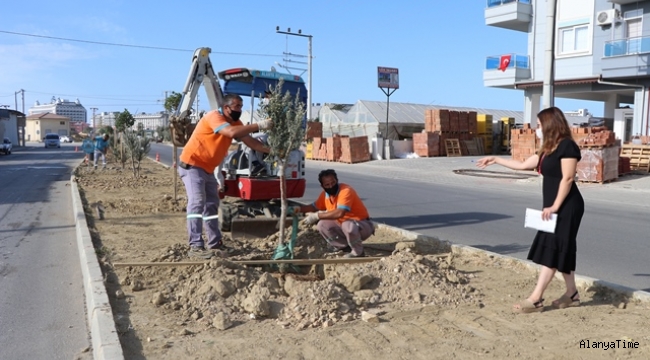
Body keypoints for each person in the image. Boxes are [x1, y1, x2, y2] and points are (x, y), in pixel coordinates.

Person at [476, 106, 584, 313]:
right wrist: (496, 159)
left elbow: (568, 178)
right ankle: (572, 293)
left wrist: (554, 206)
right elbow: (524, 165)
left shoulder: (567, 146)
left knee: (553, 249)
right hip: (553, 207)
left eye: (539, 124)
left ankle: (536, 298)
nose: (537, 128)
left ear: (550, 124)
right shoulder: (548, 149)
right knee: (560, 249)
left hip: (567, 206)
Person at [179, 94, 272, 259]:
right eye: (237, 106)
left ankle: (215, 243)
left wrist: (272, 151)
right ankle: (195, 246)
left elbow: (250, 142)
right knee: (197, 202)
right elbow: (229, 132)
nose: (240, 110)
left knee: (212, 206)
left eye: (241, 106)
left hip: (207, 169)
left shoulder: (236, 123)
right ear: (226, 107)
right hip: (193, 165)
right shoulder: (214, 116)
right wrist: (260, 125)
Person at [293, 169, 374, 258]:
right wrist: (298, 209)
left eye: (333, 182)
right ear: (322, 186)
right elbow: (314, 206)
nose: (331, 186)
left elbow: (340, 213)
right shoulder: (326, 195)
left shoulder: (345, 191)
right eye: (327, 185)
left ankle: (358, 252)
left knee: (348, 225)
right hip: (344, 225)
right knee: (322, 225)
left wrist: (317, 215)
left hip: (362, 226)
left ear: (337, 180)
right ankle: (343, 247)